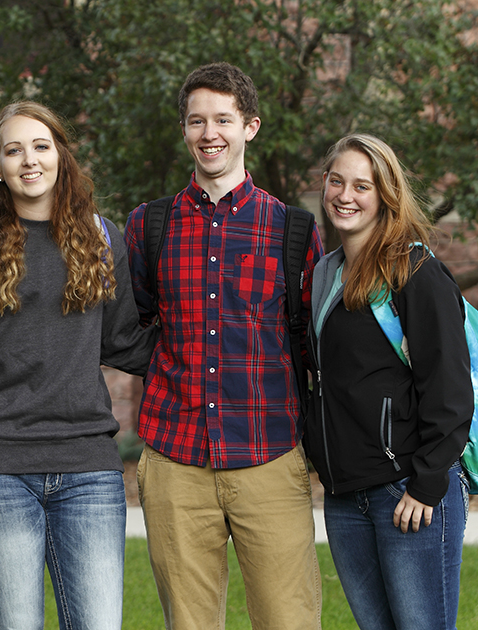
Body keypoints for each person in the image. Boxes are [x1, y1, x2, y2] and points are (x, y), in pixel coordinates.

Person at [0, 101, 158, 629]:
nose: (29, 160)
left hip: (88, 469)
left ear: (60, 157)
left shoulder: (101, 238)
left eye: (41, 146)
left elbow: (122, 342)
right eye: (13, 150)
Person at [124, 62, 324, 629]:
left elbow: (310, 342)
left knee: (289, 620)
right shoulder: (150, 226)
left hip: (270, 453)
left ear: (249, 126)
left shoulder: (293, 230)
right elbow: (127, 326)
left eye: (222, 119)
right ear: (185, 131)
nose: (209, 133)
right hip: (175, 457)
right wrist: (168, 367)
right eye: (196, 121)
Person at [305, 133, 471, 630]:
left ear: (386, 196)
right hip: (345, 497)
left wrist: (425, 484)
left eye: (363, 185)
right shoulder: (325, 274)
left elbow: (449, 388)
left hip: (407, 494)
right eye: (337, 181)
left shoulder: (414, 271)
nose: (346, 196)